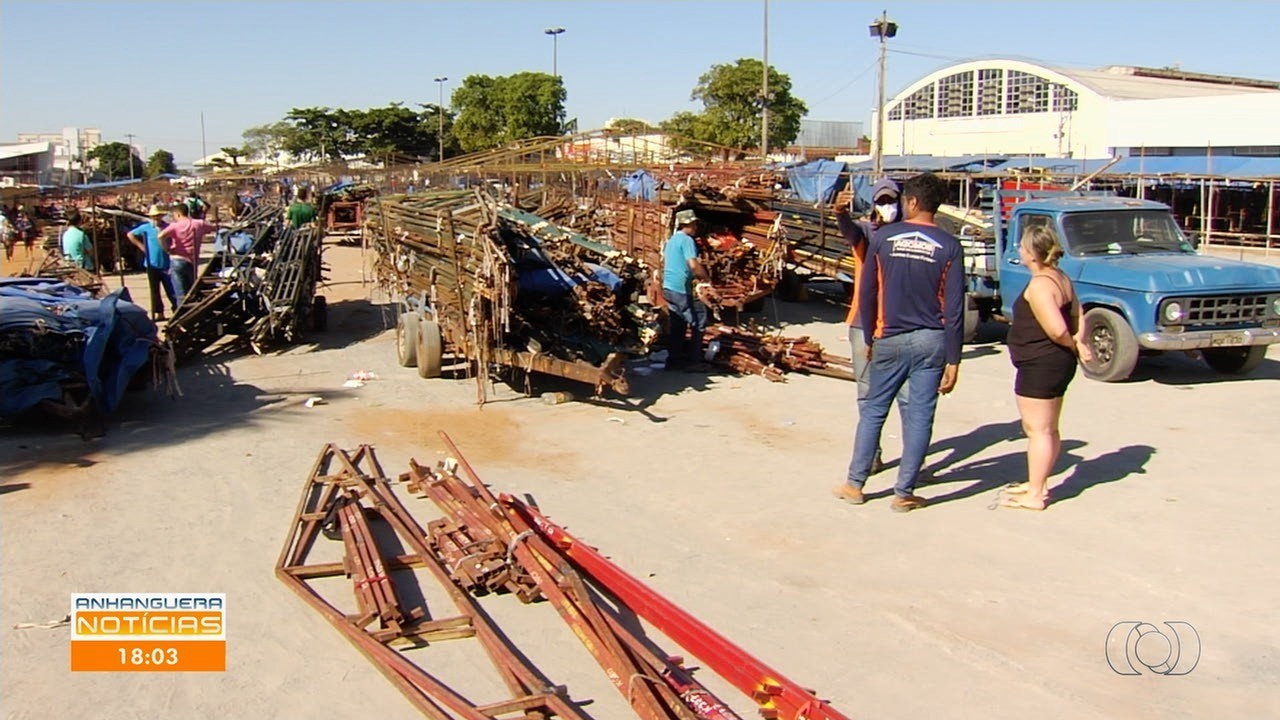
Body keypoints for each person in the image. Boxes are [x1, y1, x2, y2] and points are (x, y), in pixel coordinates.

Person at [834, 172, 965, 513]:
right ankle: (904, 492)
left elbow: (868, 292)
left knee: (874, 409)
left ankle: (855, 484)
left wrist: (869, 336)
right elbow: (954, 309)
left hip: (889, 336)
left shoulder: (884, 238)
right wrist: (954, 359)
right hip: (931, 341)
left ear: (913, 201)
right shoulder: (950, 246)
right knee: (920, 414)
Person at [998, 226, 1093, 511]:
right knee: (1049, 428)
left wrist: (1073, 343)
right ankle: (1038, 482)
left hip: (1041, 364)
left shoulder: (1040, 285)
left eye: (1022, 247)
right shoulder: (1060, 277)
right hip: (1055, 362)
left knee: (1037, 430)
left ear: (1032, 254)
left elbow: (1056, 329)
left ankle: (1036, 494)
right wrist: (1079, 340)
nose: (1019, 251)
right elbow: (1078, 314)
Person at [835, 179, 909, 475]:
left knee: (907, 396)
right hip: (863, 323)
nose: (888, 206)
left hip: (901, 323)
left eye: (892, 201)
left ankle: (913, 459)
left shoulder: (909, 234)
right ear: (874, 204)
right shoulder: (866, 232)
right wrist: (840, 212)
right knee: (867, 393)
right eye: (882, 201)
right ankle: (872, 454)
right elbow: (850, 232)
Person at [661, 209, 712, 371]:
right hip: (680, 289)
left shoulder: (672, 240)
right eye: (694, 224)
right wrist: (706, 280)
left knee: (678, 325)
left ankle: (673, 361)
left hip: (669, 287)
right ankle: (694, 362)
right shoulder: (687, 240)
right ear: (686, 224)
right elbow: (693, 265)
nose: (696, 227)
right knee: (699, 321)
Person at [157, 203, 218, 303]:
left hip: (177, 258)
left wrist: (167, 249)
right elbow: (215, 227)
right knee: (192, 291)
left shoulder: (175, 226)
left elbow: (160, 236)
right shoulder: (199, 223)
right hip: (192, 261)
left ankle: (182, 311)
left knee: (181, 294)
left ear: (178, 214)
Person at [127, 204, 178, 321]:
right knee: (155, 290)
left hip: (166, 263)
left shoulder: (167, 227)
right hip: (151, 263)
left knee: (171, 289)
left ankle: (176, 309)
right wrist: (141, 246)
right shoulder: (146, 227)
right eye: (154, 216)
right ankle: (159, 312)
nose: (156, 218)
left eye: (158, 216)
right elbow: (130, 234)